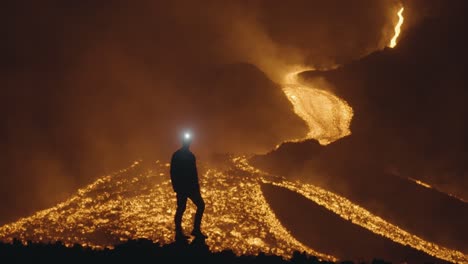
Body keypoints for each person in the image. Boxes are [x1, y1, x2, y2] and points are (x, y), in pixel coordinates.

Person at [170, 132, 206, 240]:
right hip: (188, 187)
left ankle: (179, 232)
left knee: (181, 208)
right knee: (199, 205)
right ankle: (194, 230)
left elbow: (173, 171)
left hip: (184, 187)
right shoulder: (190, 156)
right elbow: (192, 173)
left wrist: (176, 186)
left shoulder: (178, 155)